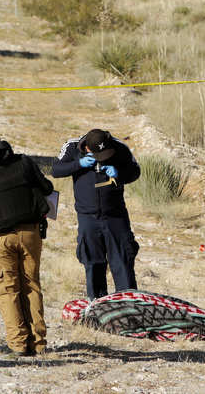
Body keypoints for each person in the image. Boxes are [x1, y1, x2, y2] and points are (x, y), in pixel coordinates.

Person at [0, 125, 53, 356]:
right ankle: (39, 342)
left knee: (8, 289)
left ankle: (17, 343)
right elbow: (47, 187)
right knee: (31, 286)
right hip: (30, 233)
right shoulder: (24, 162)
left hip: (0, 238)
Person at [52, 129, 140, 300]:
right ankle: (97, 305)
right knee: (93, 264)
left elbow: (135, 171)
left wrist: (119, 173)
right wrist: (78, 164)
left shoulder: (119, 147)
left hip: (115, 216)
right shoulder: (71, 146)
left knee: (123, 262)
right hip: (87, 217)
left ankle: (129, 307)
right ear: (87, 149)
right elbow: (55, 169)